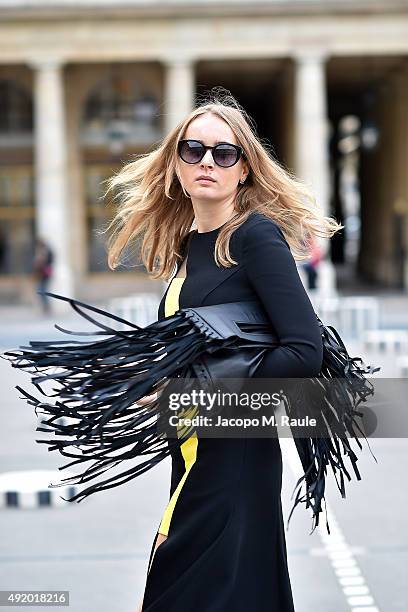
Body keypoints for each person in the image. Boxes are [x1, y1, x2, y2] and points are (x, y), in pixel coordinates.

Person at [103, 89, 341, 611]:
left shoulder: (255, 237)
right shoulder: (190, 248)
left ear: (244, 171)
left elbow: (305, 351)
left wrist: (194, 392)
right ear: (176, 165)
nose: (207, 161)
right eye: (193, 150)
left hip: (235, 463)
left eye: (224, 152)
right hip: (192, 460)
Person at [32, 238, 54, 314]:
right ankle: (46, 307)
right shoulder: (45, 251)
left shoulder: (44, 252)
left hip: (43, 274)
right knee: (43, 290)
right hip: (43, 274)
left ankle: (46, 308)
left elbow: (41, 263)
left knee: (42, 291)